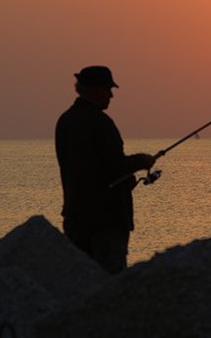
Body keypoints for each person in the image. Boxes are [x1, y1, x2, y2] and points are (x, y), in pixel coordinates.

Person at [55, 65, 156, 274]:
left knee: (80, 280)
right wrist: (142, 160)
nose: (111, 95)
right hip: (106, 221)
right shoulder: (101, 123)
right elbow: (116, 166)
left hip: (75, 217)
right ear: (93, 90)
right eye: (107, 89)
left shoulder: (65, 121)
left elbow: (89, 168)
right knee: (110, 282)